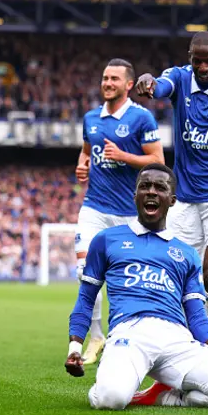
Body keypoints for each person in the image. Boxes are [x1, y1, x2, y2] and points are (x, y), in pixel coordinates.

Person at [65, 164, 208, 410]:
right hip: (129, 334)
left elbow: (195, 313)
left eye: (160, 187)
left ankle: (162, 396)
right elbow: (86, 298)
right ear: (134, 195)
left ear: (172, 200)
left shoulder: (187, 253)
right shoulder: (106, 239)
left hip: (177, 338)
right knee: (110, 400)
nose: (151, 192)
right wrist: (75, 347)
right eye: (144, 186)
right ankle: (118, 385)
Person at [135, 31, 208, 335]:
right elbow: (161, 85)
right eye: (197, 60)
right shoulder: (179, 77)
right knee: (174, 272)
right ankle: (176, 343)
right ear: (189, 58)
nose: (203, 67)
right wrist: (149, 80)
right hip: (186, 195)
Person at [74, 58, 164, 364]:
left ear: (128, 85)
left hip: (129, 213)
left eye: (114, 79)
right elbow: (88, 149)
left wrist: (123, 155)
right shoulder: (90, 118)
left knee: (128, 279)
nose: (107, 83)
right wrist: (82, 164)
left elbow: (157, 161)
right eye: (104, 78)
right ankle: (96, 335)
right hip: (94, 207)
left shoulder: (142, 119)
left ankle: (129, 337)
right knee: (84, 272)